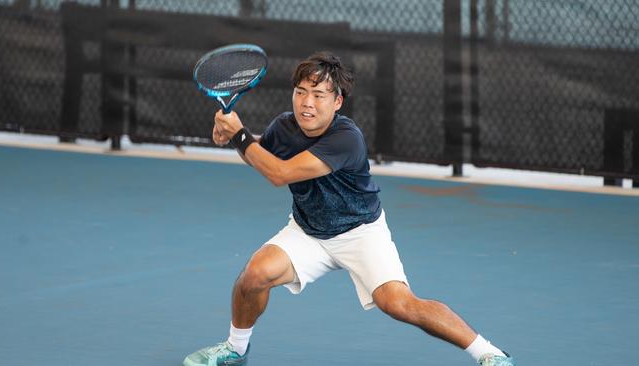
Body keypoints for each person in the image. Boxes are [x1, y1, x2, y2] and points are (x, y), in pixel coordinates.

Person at [183, 52, 515, 366]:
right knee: (254, 275)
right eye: (300, 92)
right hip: (309, 231)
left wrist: (239, 136)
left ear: (337, 101)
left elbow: (279, 173)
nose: (307, 103)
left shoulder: (347, 139)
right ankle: (235, 350)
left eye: (318, 95)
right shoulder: (283, 127)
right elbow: (262, 153)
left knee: (398, 303)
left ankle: (489, 354)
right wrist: (231, 136)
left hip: (361, 234)